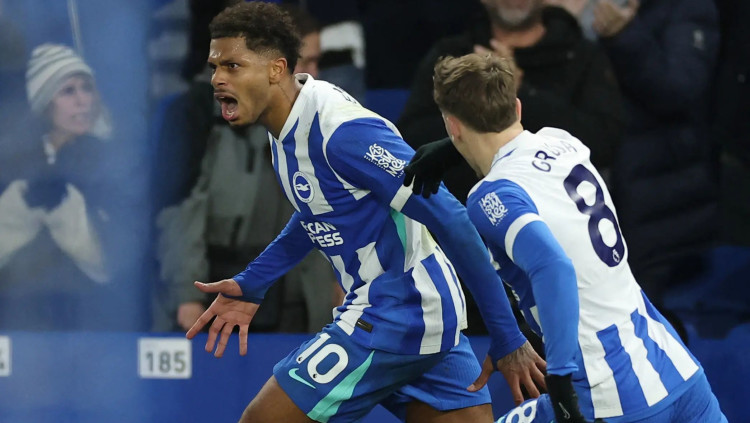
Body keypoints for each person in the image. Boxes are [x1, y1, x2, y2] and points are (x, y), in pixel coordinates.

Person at [185, 3, 547, 423]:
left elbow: (452, 218)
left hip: (397, 312)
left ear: (275, 69)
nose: (218, 79)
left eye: (232, 66)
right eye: (214, 67)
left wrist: (506, 335)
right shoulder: (285, 123)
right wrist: (254, 282)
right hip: (422, 311)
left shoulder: (342, 132)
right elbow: (319, 209)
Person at [403, 52, 727, 423]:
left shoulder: (491, 196)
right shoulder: (562, 141)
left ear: (452, 124)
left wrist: (558, 379)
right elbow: (513, 146)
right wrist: (451, 150)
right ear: (518, 107)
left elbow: (553, 266)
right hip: (675, 368)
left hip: (609, 394)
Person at [151, 1, 339, 333]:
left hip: (294, 304)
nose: (315, 74)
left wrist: (336, 287)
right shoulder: (199, 115)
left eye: (317, 62)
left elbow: (325, 216)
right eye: (306, 62)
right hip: (215, 293)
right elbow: (182, 212)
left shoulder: (322, 122)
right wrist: (186, 296)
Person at [398, 0, 622, 205]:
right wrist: (477, 96)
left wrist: (519, 91)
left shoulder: (582, 55)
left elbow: (602, 141)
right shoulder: (451, 55)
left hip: (552, 213)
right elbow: (412, 136)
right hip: (457, 213)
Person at [590, 0, 720, 305]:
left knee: (643, 312)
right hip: (587, 188)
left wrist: (624, 36)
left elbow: (679, 88)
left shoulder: (687, 8)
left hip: (654, 204)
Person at [0, 44, 119, 330]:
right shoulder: (14, 164)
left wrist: (66, 210)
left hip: (94, 316)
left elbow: (116, 259)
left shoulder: (114, 162)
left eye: (87, 88)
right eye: (68, 91)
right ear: (44, 103)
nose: (82, 101)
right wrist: (20, 206)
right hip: (17, 314)